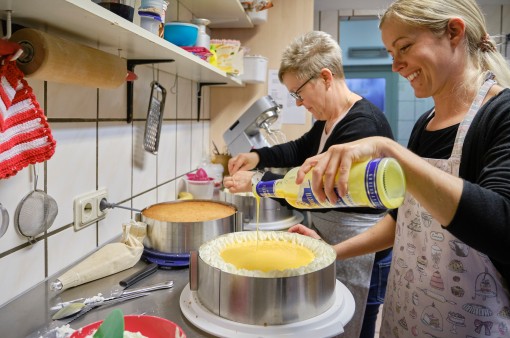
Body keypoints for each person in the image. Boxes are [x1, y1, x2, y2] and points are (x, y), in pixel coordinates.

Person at [290, 1, 510, 337]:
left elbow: (500, 226)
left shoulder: (501, 114)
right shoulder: (426, 125)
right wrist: (328, 252)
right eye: (391, 52)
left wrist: (388, 149)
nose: (395, 65)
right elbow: (401, 220)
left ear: (453, 32)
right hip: (405, 315)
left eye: (404, 47)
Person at [224, 30, 394, 338]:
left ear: (326, 77)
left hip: (363, 249)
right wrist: (256, 157)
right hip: (333, 237)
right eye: (294, 96)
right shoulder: (330, 120)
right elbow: (298, 148)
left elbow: (313, 192)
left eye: (299, 94)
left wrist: (257, 183)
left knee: (355, 327)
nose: (299, 103)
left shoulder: (361, 125)